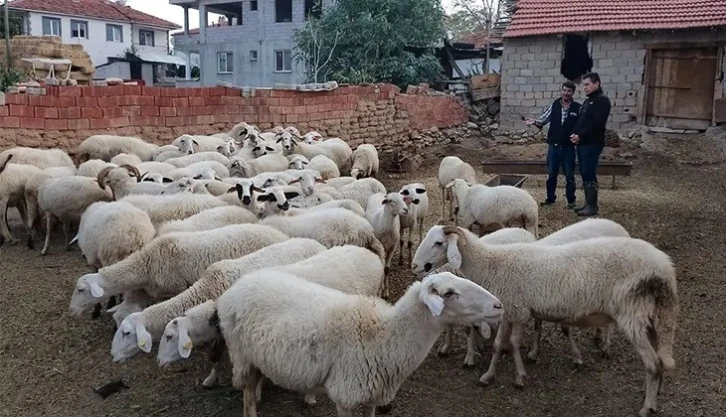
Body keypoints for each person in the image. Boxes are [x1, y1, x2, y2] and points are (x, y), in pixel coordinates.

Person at [524, 81, 581, 208]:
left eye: (569, 91)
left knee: (570, 176)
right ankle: (550, 199)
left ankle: (571, 201)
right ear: (561, 91)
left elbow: (582, 125)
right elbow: (543, 120)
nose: (566, 93)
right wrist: (534, 121)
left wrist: (579, 136)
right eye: (564, 90)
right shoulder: (555, 105)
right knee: (551, 175)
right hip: (553, 147)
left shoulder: (577, 108)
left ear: (573, 93)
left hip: (568, 148)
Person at [570, 72, 612, 217]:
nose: (585, 88)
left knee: (589, 172)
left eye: (587, 84)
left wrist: (580, 135)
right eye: (584, 85)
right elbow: (581, 121)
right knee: (584, 172)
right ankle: (588, 203)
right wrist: (575, 134)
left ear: (597, 84)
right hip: (583, 143)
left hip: (592, 143)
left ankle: (592, 207)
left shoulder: (602, 101)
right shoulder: (588, 102)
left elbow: (596, 124)